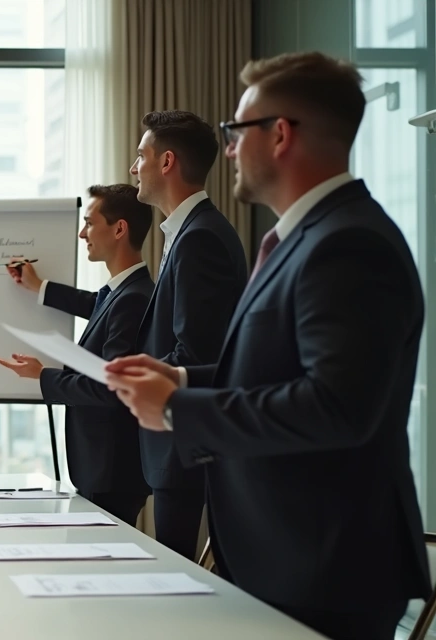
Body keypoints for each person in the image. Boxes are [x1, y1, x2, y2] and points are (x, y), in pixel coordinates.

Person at [107, 52, 429, 640]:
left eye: (236, 131)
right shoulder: (302, 237)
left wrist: (178, 408)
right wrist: (179, 380)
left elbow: (335, 407)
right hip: (289, 561)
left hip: (326, 569)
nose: (227, 148)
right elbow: (269, 376)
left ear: (279, 134)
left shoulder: (349, 243)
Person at [0, 184, 152, 526]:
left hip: (112, 471)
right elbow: (95, 304)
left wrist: (44, 375)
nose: (82, 233)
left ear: (119, 229)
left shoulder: (132, 297)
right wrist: (39, 286)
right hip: (103, 468)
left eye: (90, 223)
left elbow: (112, 387)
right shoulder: (121, 293)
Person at [126, 109, 248, 560]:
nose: (133, 168)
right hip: (175, 441)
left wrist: (144, 378)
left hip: (182, 442)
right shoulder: (188, 233)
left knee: (177, 580)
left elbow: (194, 351)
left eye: (141, 156)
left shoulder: (199, 238)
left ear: (167, 162)